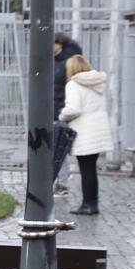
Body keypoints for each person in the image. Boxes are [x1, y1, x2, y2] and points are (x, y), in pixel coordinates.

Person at [59, 53, 111, 216]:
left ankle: (88, 205)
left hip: (84, 131)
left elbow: (73, 109)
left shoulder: (74, 84)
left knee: (86, 170)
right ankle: (92, 203)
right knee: (91, 169)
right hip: (98, 129)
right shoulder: (97, 83)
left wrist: (62, 115)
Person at [50, 31, 83, 193]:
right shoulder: (56, 61)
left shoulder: (69, 63)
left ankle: (62, 183)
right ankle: (59, 181)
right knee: (57, 148)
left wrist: (62, 111)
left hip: (63, 111)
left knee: (59, 148)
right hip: (54, 109)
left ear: (59, 44)